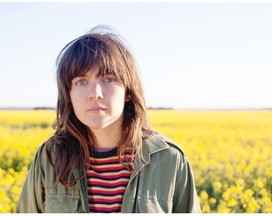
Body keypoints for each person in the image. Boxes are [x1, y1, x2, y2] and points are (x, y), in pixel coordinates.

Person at [16, 26, 201, 213]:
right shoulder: (50, 158)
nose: (95, 94)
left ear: (128, 91)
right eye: (81, 81)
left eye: (109, 79)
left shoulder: (168, 159)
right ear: (68, 94)